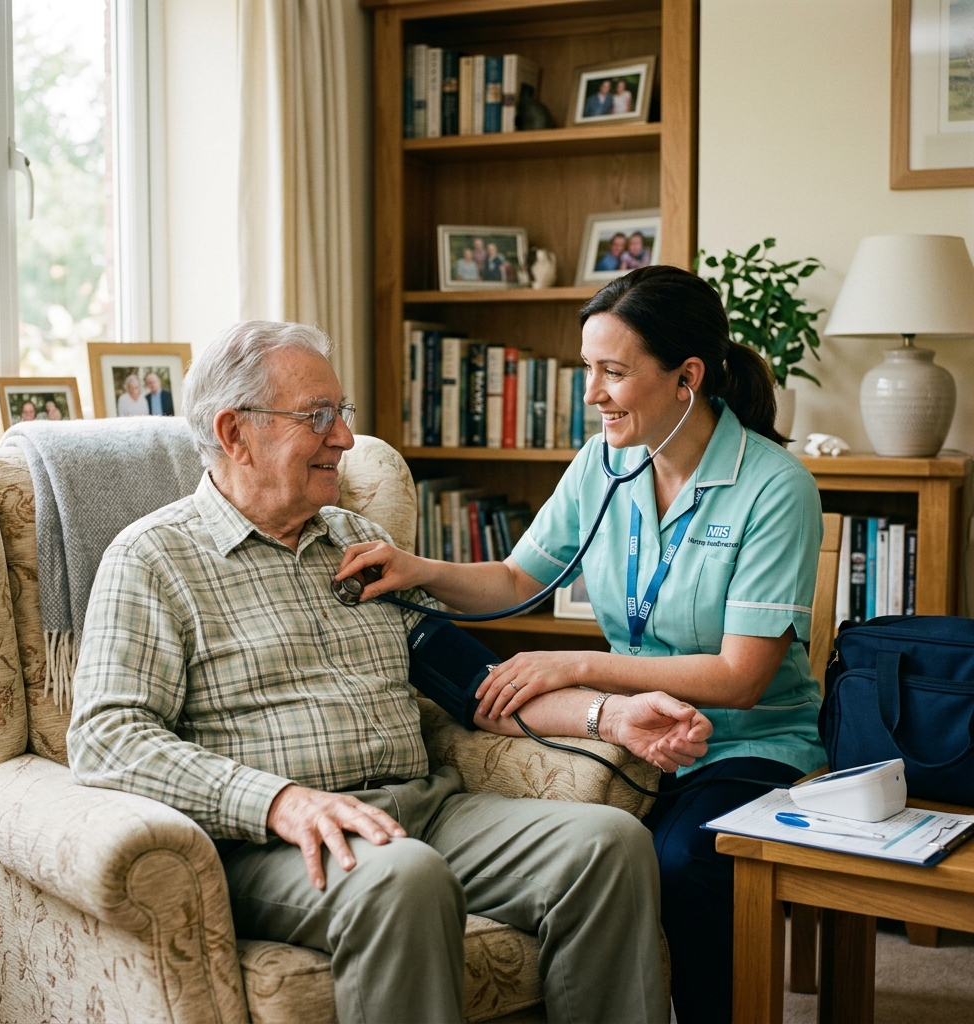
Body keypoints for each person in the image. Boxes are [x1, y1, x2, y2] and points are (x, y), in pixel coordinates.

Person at [68, 319, 713, 1024]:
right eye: (318, 417)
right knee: (404, 877)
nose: (344, 438)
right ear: (234, 433)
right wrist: (281, 801)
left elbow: (470, 684)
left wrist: (612, 715)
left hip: (424, 810)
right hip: (276, 842)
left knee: (610, 844)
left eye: (339, 415)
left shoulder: (355, 541)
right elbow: (108, 737)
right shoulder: (154, 559)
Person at [337, 266, 826, 1024]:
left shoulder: (774, 486)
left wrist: (579, 664)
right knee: (576, 855)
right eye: (586, 370)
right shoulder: (604, 462)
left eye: (613, 372)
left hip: (742, 743)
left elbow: (741, 677)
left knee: (681, 865)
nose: (591, 393)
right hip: (631, 734)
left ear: (686, 378)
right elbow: (511, 578)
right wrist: (417, 568)